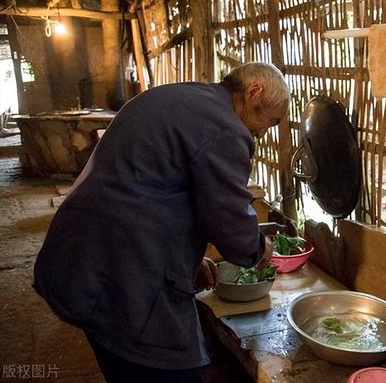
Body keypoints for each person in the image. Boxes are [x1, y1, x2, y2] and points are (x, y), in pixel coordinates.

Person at [33, 62, 289, 383]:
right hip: (119, 274)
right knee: (165, 365)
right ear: (254, 92)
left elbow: (157, 190)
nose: (264, 132)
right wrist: (258, 249)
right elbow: (230, 221)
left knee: (124, 362)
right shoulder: (225, 127)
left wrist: (187, 261)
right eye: (272, 121)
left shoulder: (177, 97)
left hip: (80, 259)